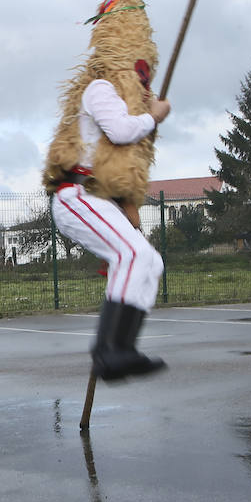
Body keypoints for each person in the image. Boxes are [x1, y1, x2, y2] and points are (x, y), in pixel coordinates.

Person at [51, 82, 171, 381]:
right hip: (78, 194)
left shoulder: (125, 104)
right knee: (133, 254)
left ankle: (123, 350)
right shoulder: (101, 87)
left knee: (151, 262)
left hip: (103, 199)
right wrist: (153, 117)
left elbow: (121, 166)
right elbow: (119, 130)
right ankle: (109, 350)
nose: (143, 85)